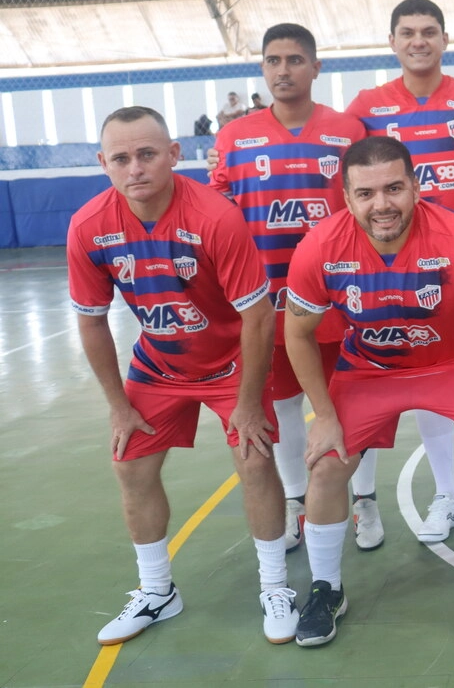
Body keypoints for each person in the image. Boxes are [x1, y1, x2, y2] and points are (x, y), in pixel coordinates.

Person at [284, 136, 454, 647]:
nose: (382, 204)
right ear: (346, 198)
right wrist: (322, 414)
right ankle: (326, 588)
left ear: (416, 186)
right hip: (369, 369)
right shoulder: (320, 247)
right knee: (326, 465)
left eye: (394, 188)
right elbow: (296, 333)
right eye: (366, 193)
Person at [68, 106, 297, 646]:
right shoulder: (89, 226)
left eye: (147, 154)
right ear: (104, 164)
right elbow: (92, 323)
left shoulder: (215, 216)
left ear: (174, 155)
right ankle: (157, 592)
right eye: (121, 158)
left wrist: (246, 402)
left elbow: (258, 316)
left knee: (255, 459)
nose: (135, 169)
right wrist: (118, 405)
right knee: (130, 466)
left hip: (230, 363)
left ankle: (275, 585)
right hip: (158, 364)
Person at [344, 0, 454, 545]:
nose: (419, 40)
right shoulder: (367, 105)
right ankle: (447, 494)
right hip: (400, 265)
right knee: (427, 372)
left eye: (429, 31)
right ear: (392, 41)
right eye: (408, 32)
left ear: (444, 39)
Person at [209, 23, 373, 553]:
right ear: (262, 68)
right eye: (274, 60)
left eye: (295, 60)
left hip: (341, 296)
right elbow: (217, 214)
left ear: (316, 67)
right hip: (267, 300)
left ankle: (364, 501)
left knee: (348, 402)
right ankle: (299, 503)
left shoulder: (348, 131)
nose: (284, 70)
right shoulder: (234, 138)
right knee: (282, 404)